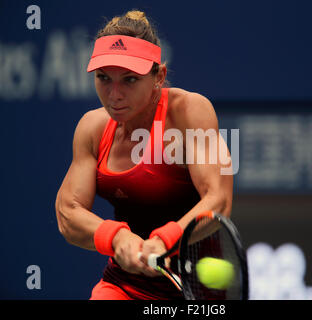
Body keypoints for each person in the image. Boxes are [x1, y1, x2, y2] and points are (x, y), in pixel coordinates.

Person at [54, 10, 233, 300]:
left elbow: (219, 199)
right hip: (123, 285)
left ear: (159, 76)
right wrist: (117, 237)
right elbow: (67, 213)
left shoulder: (190, 112)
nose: (114, 94)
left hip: (196, 290)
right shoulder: (92, 128)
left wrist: (166, 240)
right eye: (103, 78)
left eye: (129, 80)